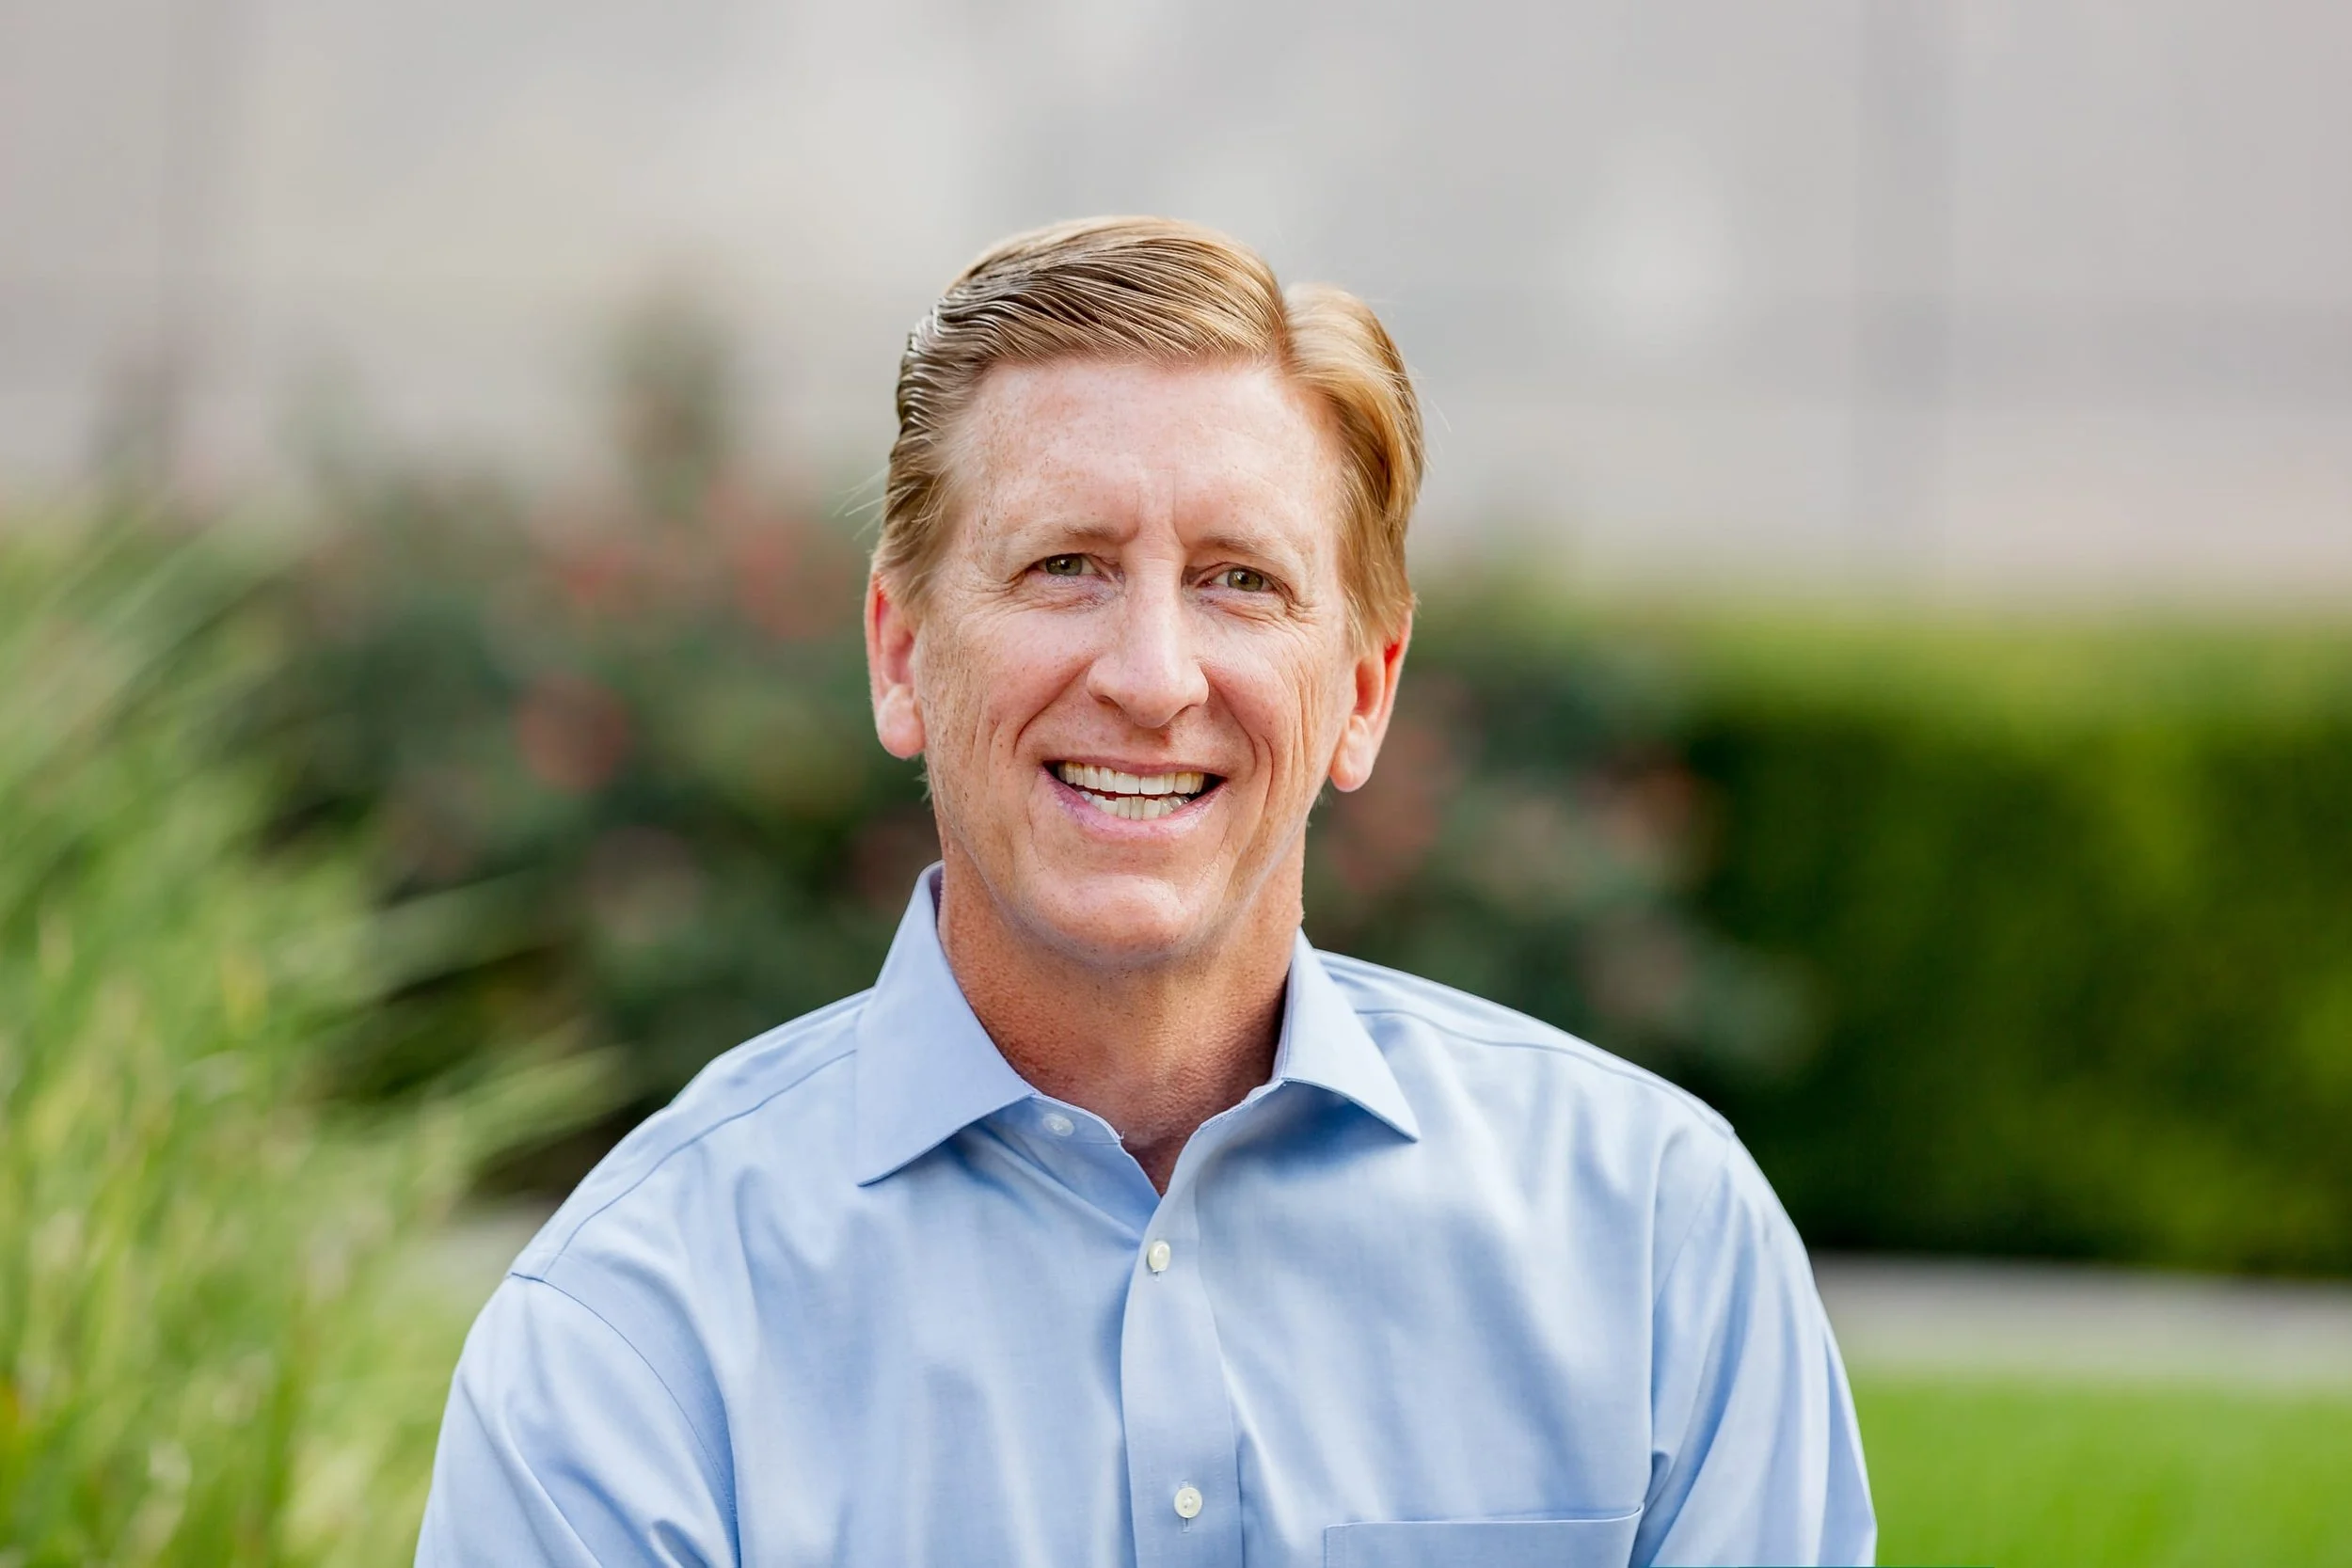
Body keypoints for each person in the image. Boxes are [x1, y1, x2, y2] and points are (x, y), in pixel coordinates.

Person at [416, 216, 1874, 1567]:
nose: (1152, 676)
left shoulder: (1657, 1245)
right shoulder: (639, 1330)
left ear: (1363, 690)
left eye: (1240, 579)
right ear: (901, 651)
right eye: (1067, 565)